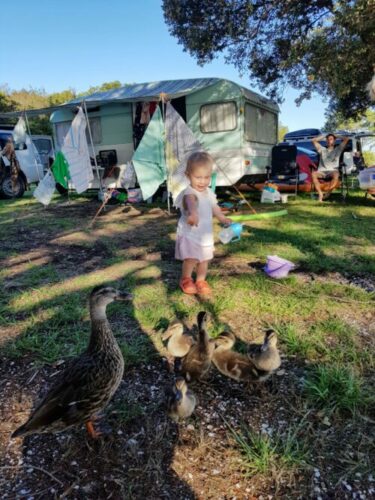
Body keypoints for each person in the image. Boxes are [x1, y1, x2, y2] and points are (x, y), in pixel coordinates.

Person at [175, 151, 231, 296]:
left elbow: (215, 207)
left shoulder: (209, 193)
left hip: (205, 234)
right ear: (188, 175)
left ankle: (201, 280)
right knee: (191, 258)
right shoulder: (189, 192)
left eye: (206, 177)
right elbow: (191, 202)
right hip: (191, 234)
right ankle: (186, 279)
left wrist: (222, 218)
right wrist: (193, 213)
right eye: (198, 177)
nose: (203, 181)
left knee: (204, 259)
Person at [311, 133, 349, 202]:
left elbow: (346, 139)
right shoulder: (322, 149)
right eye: (328, 139)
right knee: (313, 174)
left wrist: (336, 135)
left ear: (334, 141)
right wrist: (325, 136)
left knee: (336, 174)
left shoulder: (338, 149)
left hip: (332, 171)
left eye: (331, 139)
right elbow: (313, 140)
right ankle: (320, 194)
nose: (329, 141)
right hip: (322, 171)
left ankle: (328, 193)